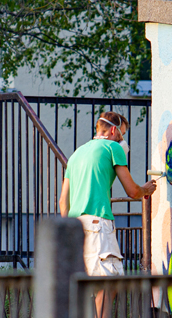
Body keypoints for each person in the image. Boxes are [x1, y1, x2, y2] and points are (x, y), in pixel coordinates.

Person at [59, 111, 157, 276]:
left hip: (75, 227)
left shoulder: (76, 154)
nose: (122, 140)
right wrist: (145, 190)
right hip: (98, 225)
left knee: (85, 282)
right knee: (110, 281)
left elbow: (63, 201)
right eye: (122, 134)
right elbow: (133, 192)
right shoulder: (113, 147)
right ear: (113, 130)